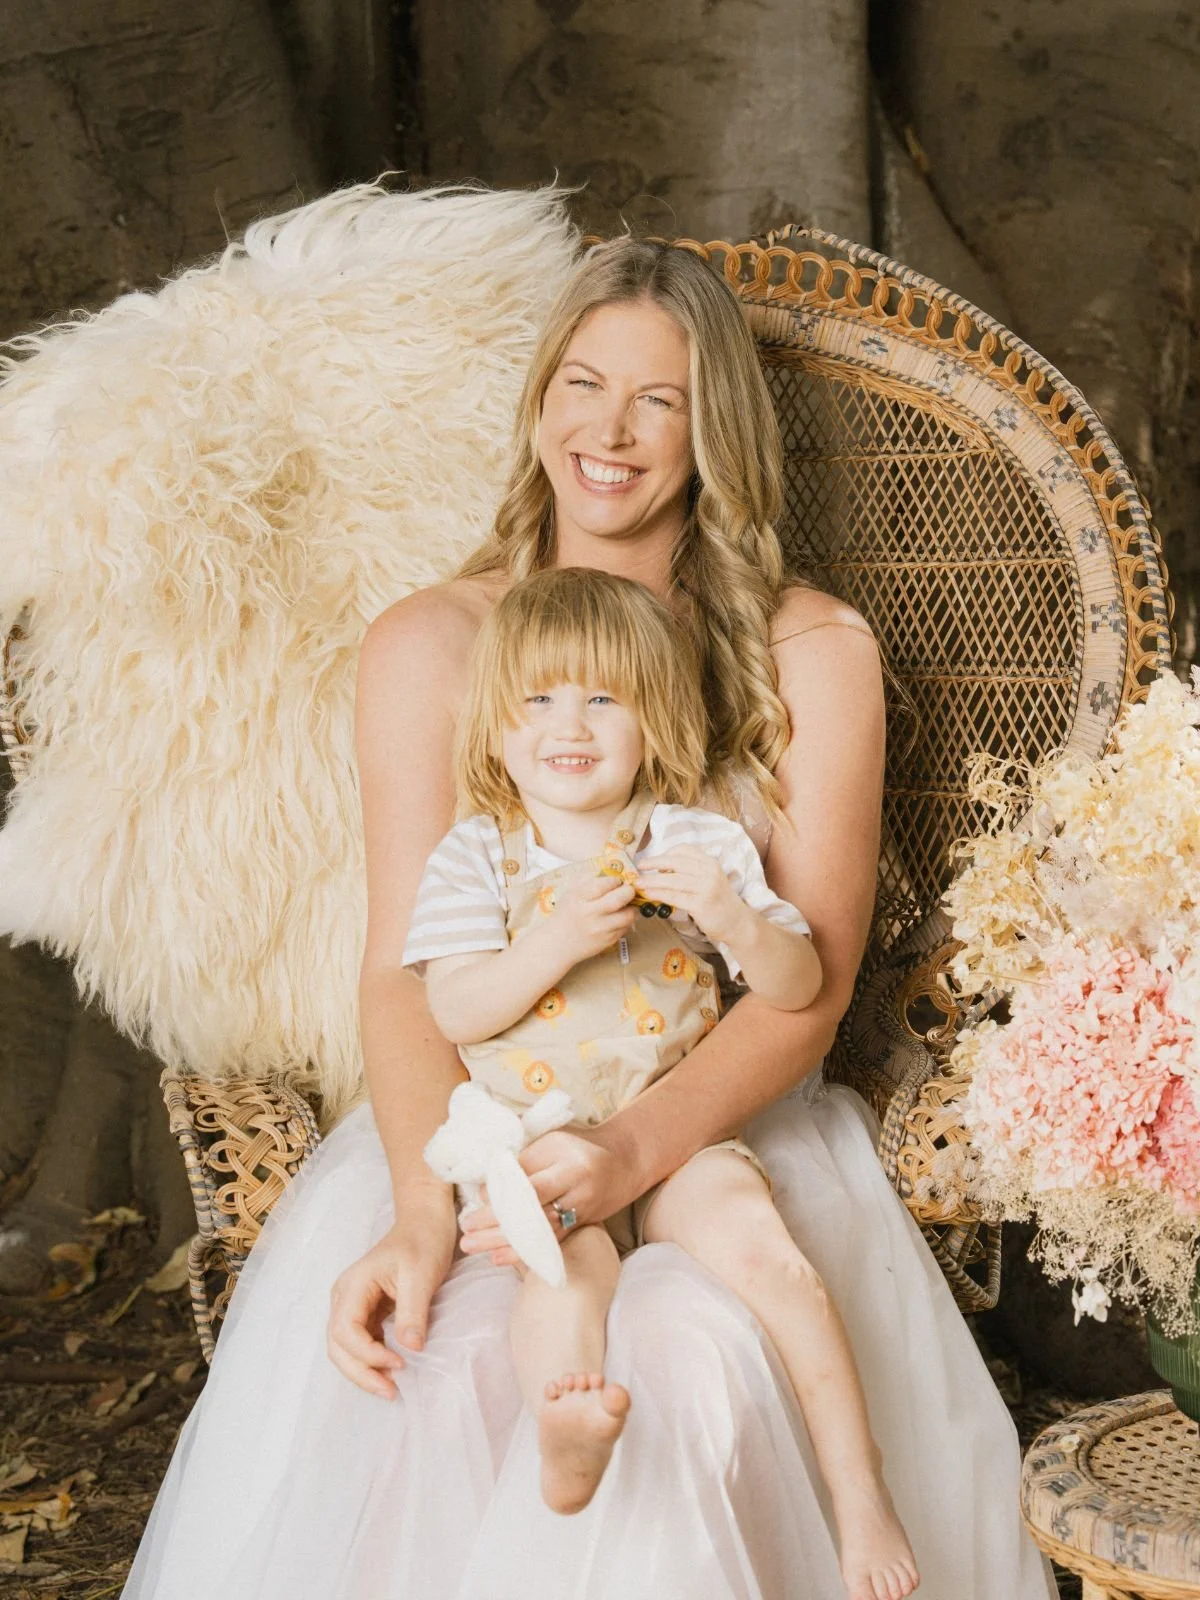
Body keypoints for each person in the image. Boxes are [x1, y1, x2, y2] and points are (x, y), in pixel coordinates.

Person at [122, 236, 1056, 1599]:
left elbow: (820, 978)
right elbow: (405, 974)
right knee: (440, 1374)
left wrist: (628, 1151)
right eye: (581, 381)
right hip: (483, 1113)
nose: (608, 432)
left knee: (694, 1358)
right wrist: (422, 1211)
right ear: (538, 401)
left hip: (715, 1117)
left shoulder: (810, 652)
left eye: (659, 400)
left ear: (714, 430)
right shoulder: (433, 643)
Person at [409, 566, 919, 1599]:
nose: (572, 723)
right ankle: (567, 1425)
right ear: (497, 730)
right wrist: (553, 938)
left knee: (766, 1252)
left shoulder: (690, 839)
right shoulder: (479, 857)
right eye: (539, 698)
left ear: (655, 721)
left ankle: (858, 1488)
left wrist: (734, 918)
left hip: (671, 1132)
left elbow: (800, 978)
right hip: (537, 1142)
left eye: (607, 697)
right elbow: (456, 1009)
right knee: (561, 1275)